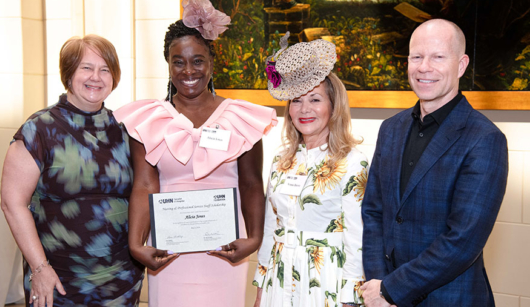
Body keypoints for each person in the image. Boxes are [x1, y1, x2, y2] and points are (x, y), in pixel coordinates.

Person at [112, 0, 277, 306]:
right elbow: (145, 186)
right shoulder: (149, 119)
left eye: (198, 60)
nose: (189, 71)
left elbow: (252, 183)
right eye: (178, 61)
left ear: (212, 62)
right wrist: (136, 244)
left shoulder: (240, 117)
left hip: (226, 250)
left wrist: (253, 239)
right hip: (170, 251)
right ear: (168, 64)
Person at [361, 19, 509, 307]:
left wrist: (392, 290)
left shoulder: (485, 139)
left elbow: (463, 239)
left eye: (438, 57)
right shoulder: (390, 129)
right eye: (417, 57)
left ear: (461, 64)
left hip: (450, 298)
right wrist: (378, 286)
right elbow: (373, 212)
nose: (424, 67)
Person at [0, 34, 144, 307]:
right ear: (68, 74)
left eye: (105, 69)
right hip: (59, 281)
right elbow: (12, 204)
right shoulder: (39, 129)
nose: (96, 77)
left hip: (121, 280)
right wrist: (40, 269)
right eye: (86, 68)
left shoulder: (127, 129)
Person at [253, 33, 368, 307]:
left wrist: (350, 299)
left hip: (325, 280)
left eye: (315, 99)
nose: (304, 109)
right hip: (278, 280)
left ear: (333, 107)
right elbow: (271, 227)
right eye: (296, 100)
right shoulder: (281, 159)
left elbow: (357, 236)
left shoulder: (352, 161)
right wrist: (260, 288)